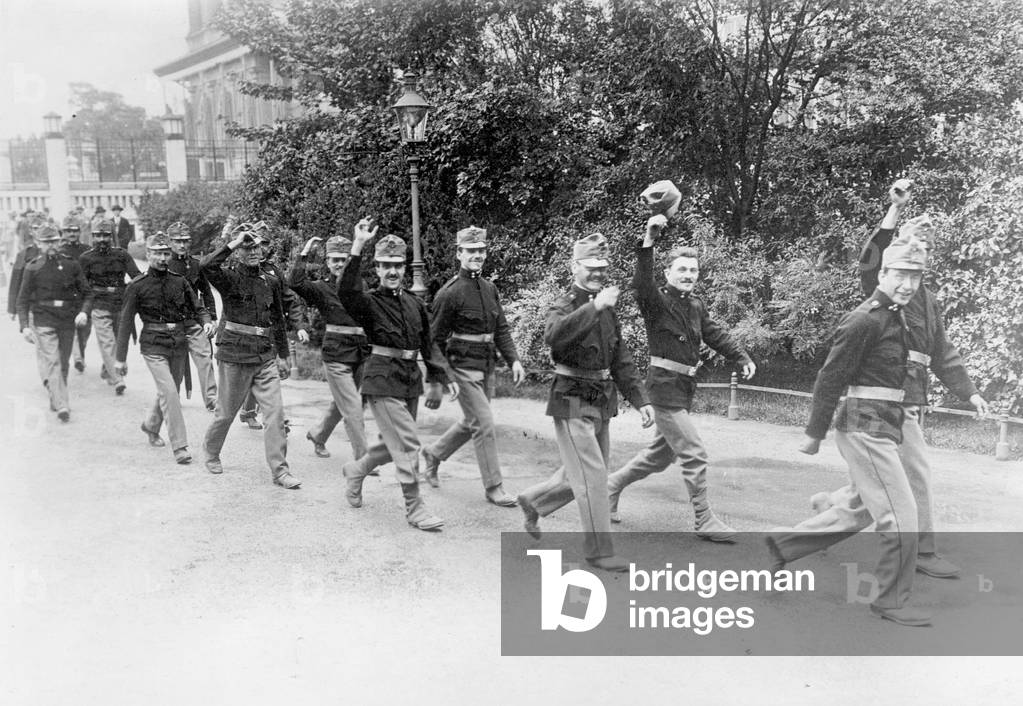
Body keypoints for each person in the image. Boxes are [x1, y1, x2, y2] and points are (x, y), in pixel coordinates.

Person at [808, 180, 990, 579]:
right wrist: (894, 211)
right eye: (909, 241)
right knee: (905, 482)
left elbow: (943, 351)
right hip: (880, 403)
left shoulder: (925, 298)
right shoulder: (881, 286)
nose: (909, 276)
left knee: (884, 488)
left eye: (923, 248)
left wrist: (969, 392)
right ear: (891, 260)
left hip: (907, 400)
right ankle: (920, 553)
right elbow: (869, 257)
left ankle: (828, 511)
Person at [765, 233, 937, 627]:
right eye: (900, 275)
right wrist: (814, 433)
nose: (908, 284)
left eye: (916, 276)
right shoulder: (865, 319)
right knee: (901, 514)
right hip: (865, 426)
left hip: (883, 424)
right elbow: (830, 378)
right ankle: (891, 601)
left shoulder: (897, 315)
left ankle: (784, 544)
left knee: (862, 507)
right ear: (883, 272)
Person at [606, 197, 755, 541]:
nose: (688, 275)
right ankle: (704, 520)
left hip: (683, 390)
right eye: (682, 270)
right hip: (662, 390)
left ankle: (610, 487)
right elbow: (641, 283)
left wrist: (741, 356)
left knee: (659, 458)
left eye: (693, 271)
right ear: (669, 273)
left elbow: (714, 334)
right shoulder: (656, 302)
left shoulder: (696, 305)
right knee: (694, 452)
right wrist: (649, 239)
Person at [516, 233, 654, 572]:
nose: (597, 273)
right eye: (590, 267)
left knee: (582, 473)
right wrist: (594, 307)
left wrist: (641, 399)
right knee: (593, 476)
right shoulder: (566, 304)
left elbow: (620, 356)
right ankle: (599, 551)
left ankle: (533, 501)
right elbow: (554, 335)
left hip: (600, 398)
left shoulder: (607, 307)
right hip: (571, 397)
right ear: (575, 266)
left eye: (602, 267)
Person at [337, 218, 457, 531]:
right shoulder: (368, 302)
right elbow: (346, 290)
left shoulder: (415, 304)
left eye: (398, 266)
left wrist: (441, 378)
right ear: (376, 269)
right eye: (386, 266)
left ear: (404, 268)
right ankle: (415, 509)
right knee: (406, 444)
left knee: (392, 446)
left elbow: (428, 345)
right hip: (381, 380)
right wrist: (358, 245)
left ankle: (356, 470)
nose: (393, 272)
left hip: (408, 382)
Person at [421, 225, 523, 507]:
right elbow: (434, 342)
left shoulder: (489, 288)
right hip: (461, 367)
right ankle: (494, 487)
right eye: (471, 251)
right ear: (459, 253)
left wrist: (513, 359)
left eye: (481, 250)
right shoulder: (449, 294)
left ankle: (433, 454)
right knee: (484, 423)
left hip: (486, 364)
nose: (477, 255)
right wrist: (436, 382)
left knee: (472, 422)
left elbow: (500, 328)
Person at [200, 223, 301, 489]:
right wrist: (233, 243)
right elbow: (206, 267)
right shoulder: (229, 276)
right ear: (238, 251)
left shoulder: (270, 278)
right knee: (226, 413)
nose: (254, 251)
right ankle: (211, 451)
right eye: (247, 247)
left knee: (275, 415)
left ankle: (280, 471)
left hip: (265, 356)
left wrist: (283, 354)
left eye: (256, 245)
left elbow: (277, 317)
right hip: (235, 354)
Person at [115, 233, 214, 464]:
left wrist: (206, 321)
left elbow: (197, 308)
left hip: (178, 344)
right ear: (147, 254)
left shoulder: (179, 281)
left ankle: (151, 425)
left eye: (165, 253)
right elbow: (125, 322)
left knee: (170, 391)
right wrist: (120, 359)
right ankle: (180, 446)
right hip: (153, 346)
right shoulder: (137, 286)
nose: (162, 258)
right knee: (170, 392)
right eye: (157, 253)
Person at [290, 233, 369, 461]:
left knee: (347, 403)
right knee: (353, 407)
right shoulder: (321, 288)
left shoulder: (360, 286)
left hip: (361, 352)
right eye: (335, 259)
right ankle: (363, 459)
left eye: (344, 259)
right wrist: (304, 253)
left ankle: (318, 434)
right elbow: (295, 283)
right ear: (327, 262)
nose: (340, 264)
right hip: (336, 355)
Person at [15, 223, 92, 421]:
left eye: (54, 241)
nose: (51, 245)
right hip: (44, 320)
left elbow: (87, 293)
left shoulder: (71, 264)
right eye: (46, 242)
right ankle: (62, 405)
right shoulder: (32, 267)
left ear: (60, 241)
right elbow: (22, 300)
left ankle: (56, 396)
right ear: (38, 243)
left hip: (66, 319)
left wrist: (83, 312)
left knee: (63, 363)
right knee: (53, 361)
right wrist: (24, 326)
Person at [236, 222, 307, 429]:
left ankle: (268, 414)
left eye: (266, 243)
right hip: (247, 335)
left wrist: (299, 325)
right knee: (256, 376)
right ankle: (257, 413)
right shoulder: (240, 272)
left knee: (269, 376)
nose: (263, 248)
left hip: (272, 332)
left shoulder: (274, 272)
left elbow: (290, 300)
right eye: (259, 243)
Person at [79, 218, 141, 394]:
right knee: (107, 342)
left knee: (119, 340)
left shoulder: (122, 255)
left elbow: (136, 276)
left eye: (106, 235)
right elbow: (81, 285)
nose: (102, 240)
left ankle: (107, 369)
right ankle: (117, 379)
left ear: (112, 236)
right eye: (98, 235)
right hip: (98, 304)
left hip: (120, 304)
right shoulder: (86, 258)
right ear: (92, 237)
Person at [166, 221, 219, 411]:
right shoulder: (165, 264)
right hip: (173, 324)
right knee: (175, 364)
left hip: (194, 320)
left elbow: (206, 292)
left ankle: (212, 399)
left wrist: (211, 318)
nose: (182, 245)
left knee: (205, 358)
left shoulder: (196, 264)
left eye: (185, 241)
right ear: (170, 242)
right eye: (177, 241)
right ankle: (173, 396)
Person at [60, 216, 91, 373]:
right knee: (70, 328)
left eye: (74, 230)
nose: (71, 234)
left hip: (85, 294)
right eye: (68, 231)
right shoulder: (59, 251)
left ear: (79, 232)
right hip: (67, 295)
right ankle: (77, 358)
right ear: (63, 233)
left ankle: (80, 355)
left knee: (85, 331)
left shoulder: (86, 249)